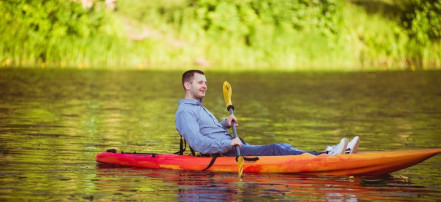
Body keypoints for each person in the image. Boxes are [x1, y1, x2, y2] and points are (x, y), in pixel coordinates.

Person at [175, 70, 360, 157]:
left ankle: (326, 152)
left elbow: (209, 130)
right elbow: (198, 143)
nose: (205, 86)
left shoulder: (198, 107)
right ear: (187, 85)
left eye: (206, 82)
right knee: (276, 149)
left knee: (281, 145)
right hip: (225, 154)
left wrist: (224, 123)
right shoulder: (185, 112)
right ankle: (327, 156)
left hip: (232, 148)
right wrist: (229, 142)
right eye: (201, 83)